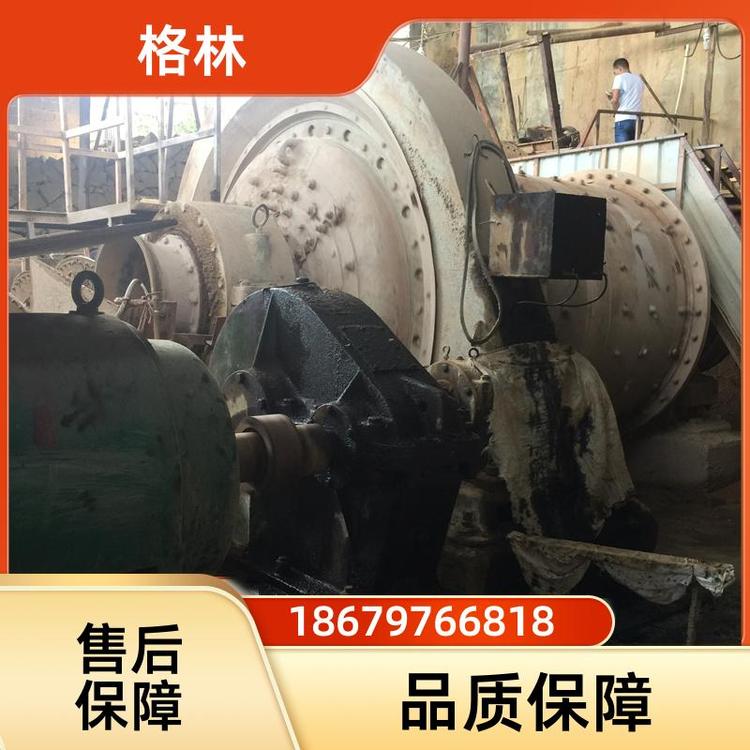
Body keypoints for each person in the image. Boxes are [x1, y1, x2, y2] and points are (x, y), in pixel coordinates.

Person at [606, 58, 644, 143]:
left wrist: (614, 110)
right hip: (637, 120)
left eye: (615, 72)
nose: (615, 75)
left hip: (623, 119)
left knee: (621, 149)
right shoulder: (639, 80)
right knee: (633, 149)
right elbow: (630, 95)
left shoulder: (619, 78)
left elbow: (615, 100)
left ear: (620, 69)